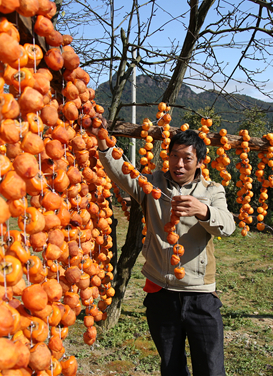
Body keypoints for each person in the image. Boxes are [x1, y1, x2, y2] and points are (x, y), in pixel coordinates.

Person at [94, 122, 236, 376]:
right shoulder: (152, 184)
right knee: (171, 367)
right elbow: (120, 171)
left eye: (187, 159)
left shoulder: (212, 191)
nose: (179, 164)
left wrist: (203, 211)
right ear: (167, 156)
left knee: (211, 369)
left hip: (200, 295)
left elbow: (227, 226)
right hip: (161, 293)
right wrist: (103, 142)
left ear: (201, 161)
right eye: (174, 156)